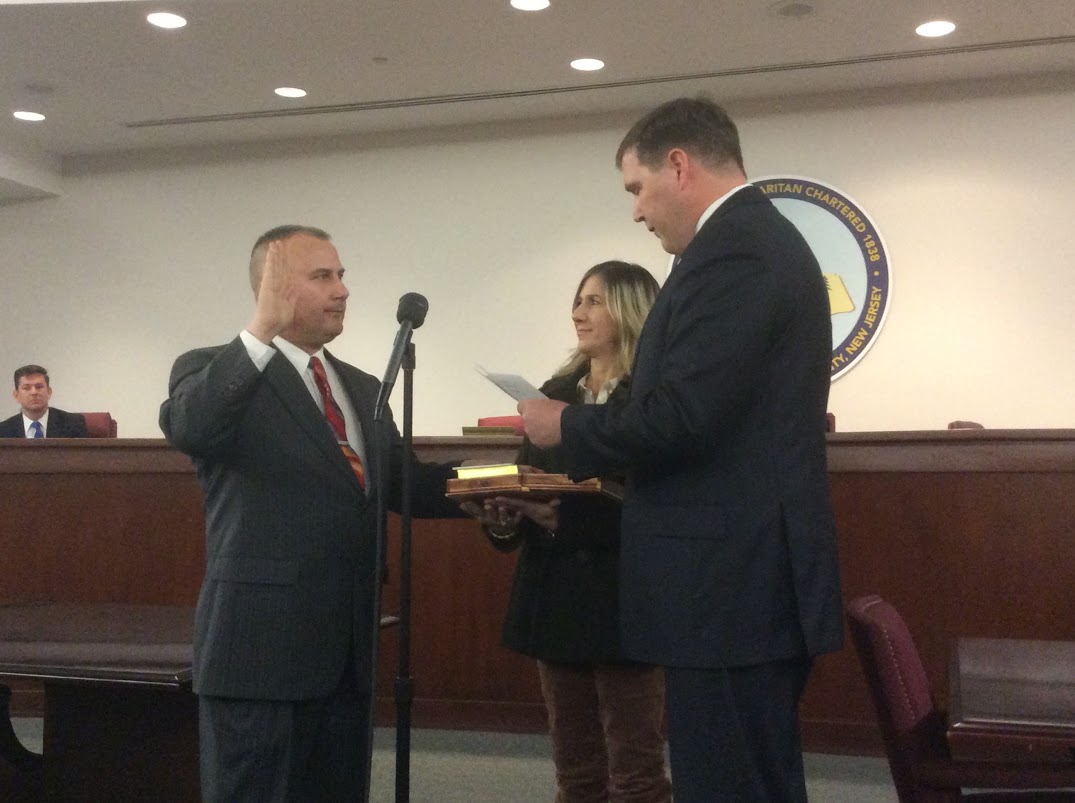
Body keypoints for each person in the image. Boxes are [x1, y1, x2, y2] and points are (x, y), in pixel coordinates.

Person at [517, 97, 844, 802]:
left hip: (728, 586)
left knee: (730, 784)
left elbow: (682, 416)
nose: (636, 211)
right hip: (736, 582)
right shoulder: (749, 245)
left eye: (636, 188)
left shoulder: (734, 252)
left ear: (678, 164)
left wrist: (564, 427)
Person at [159, 225, 462, 802]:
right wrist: (260, 332)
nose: (342, 289)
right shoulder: (209, 369)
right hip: (258, 656)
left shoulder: (362, 386)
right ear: (270, 287)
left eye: (342, 275)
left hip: (346, 658)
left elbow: (409, 482)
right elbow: (191, 428)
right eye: (322, 276)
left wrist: (499, 485)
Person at [466, 261, 671, 803]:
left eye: (594, 301)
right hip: (556, 598)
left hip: (627, 602)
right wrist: (505, 519)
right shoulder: (552, 394)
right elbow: (530, 481)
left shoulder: (654, 400)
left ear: (630, 310)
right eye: (578, 301)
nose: (578, 313)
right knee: (576, 774)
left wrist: (567, 517)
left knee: (636, 774)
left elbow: (662, 505)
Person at [0, 365, 88, 438]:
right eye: (27, 388)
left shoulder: (73, 424)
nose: (34, 392)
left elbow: (83, 458)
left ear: (49, 392)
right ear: (16, 395)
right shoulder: (3, 430)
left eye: (39, 387)